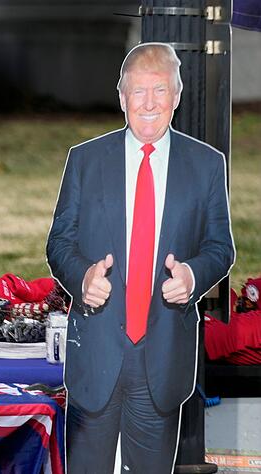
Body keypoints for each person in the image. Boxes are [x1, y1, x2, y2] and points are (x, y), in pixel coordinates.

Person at [46, 42, 234, 472]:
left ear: (178, 96)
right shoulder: (85, 160)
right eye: (138, 92)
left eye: (161, 90)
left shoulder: (207, 165)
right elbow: (58, 243)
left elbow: (221, 248)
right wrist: (81, 278)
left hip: (163, 353)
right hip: (96, 349)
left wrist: (192, 275)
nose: (149, 103)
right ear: (121, 98)